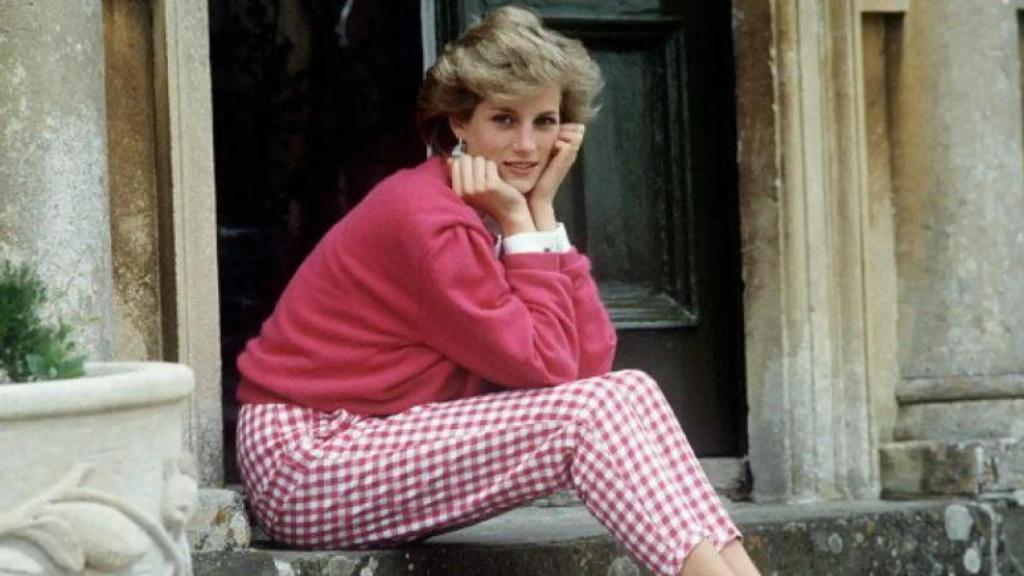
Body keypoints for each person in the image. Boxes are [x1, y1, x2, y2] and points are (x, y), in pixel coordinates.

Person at [234, 6, 760, 576]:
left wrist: (539, 213)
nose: (528, 146)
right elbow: (551, 368)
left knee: (631, 389)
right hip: (307, 460)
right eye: (505, 120)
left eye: (545, 121)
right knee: (587, 415)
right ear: (460, 123)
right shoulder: (428, 219)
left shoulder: (487, 205)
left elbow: (591, 363)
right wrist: (519, 221)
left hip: (368, 438)